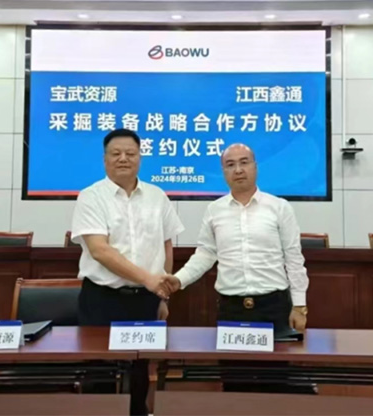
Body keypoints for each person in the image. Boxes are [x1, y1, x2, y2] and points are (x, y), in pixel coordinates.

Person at [163, 143, 311, 393]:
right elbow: (206, 254)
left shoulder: (279, 207)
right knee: (234, 380)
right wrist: (178, 280)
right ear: (223, 171)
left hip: (274, 307)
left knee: (276, 381)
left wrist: (299, 306)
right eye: (230, 165)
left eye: (244, 162)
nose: (238, 170)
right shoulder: (214, 210)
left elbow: (294, 258)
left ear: (255, 167)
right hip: (232, 309)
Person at [70, 128, 184, 415]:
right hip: (102, 298)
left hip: (145, 300)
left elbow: (166, 246)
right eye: (116, 153)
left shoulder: (157, 196)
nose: (123, 158)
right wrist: (149, 280)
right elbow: (100, 250)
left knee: (139, 370)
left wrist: (162, 296)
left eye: (130, 153)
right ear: (105, 159)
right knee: (99, 371)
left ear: (140, 157)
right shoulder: (91, 196)